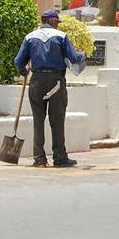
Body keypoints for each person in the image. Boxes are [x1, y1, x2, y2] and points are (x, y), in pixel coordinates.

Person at [14, 10, 85, 167]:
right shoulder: (61, 36)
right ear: (51, 21)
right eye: (57, 22)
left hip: (36, 81)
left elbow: (18, 61)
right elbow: (74, 58)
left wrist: (24, 71)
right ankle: (59, 158)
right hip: (56, 81)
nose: (57, 25)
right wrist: (82, 55)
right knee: (57, 120)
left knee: (38, 121)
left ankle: (39, 159)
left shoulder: (30, 37)